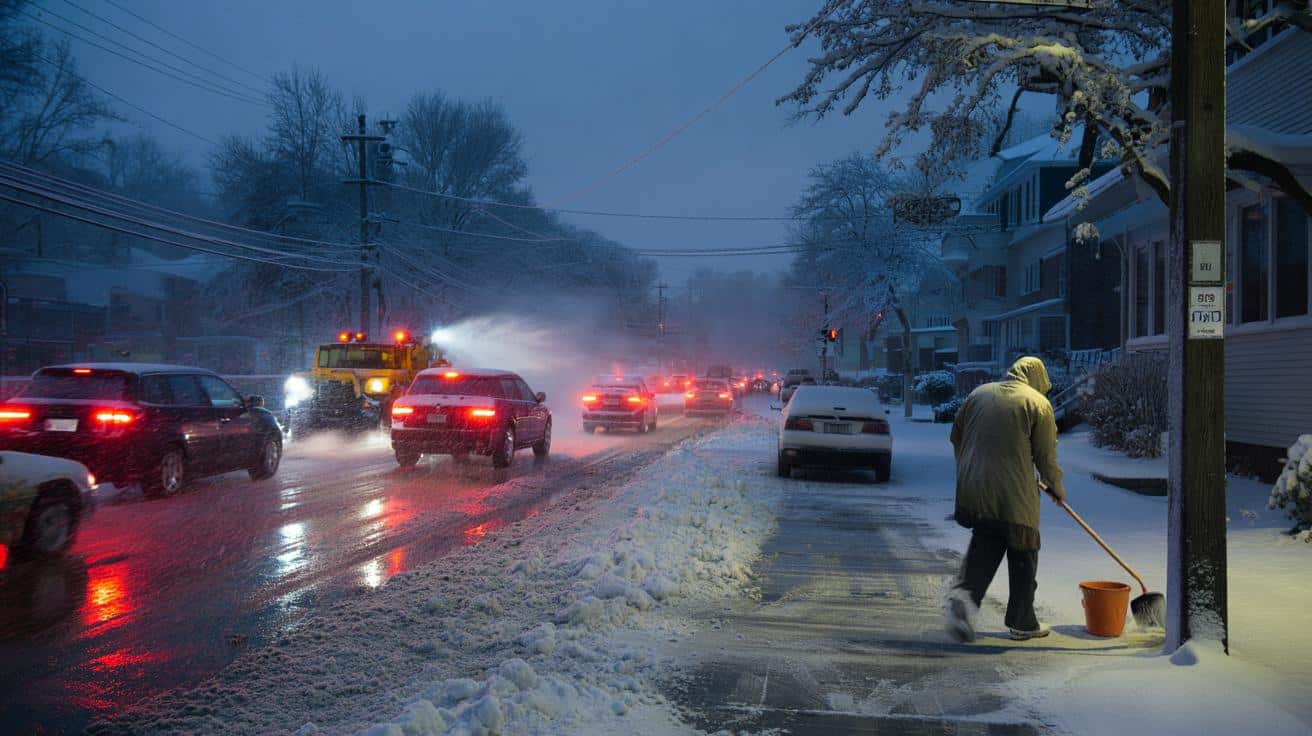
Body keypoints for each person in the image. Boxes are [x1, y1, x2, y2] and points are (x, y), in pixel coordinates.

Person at [944, 356, 1065, 642]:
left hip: (975, 486)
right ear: (1037, 380)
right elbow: (1045, 455)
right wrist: (1056, 487)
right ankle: (1022, 621)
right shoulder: (1037, 404)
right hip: (1014, 491)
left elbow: (956, 436)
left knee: (988, 537)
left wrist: (970, 468)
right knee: (1024, 546)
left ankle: (964, 598)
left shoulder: (979, 394)